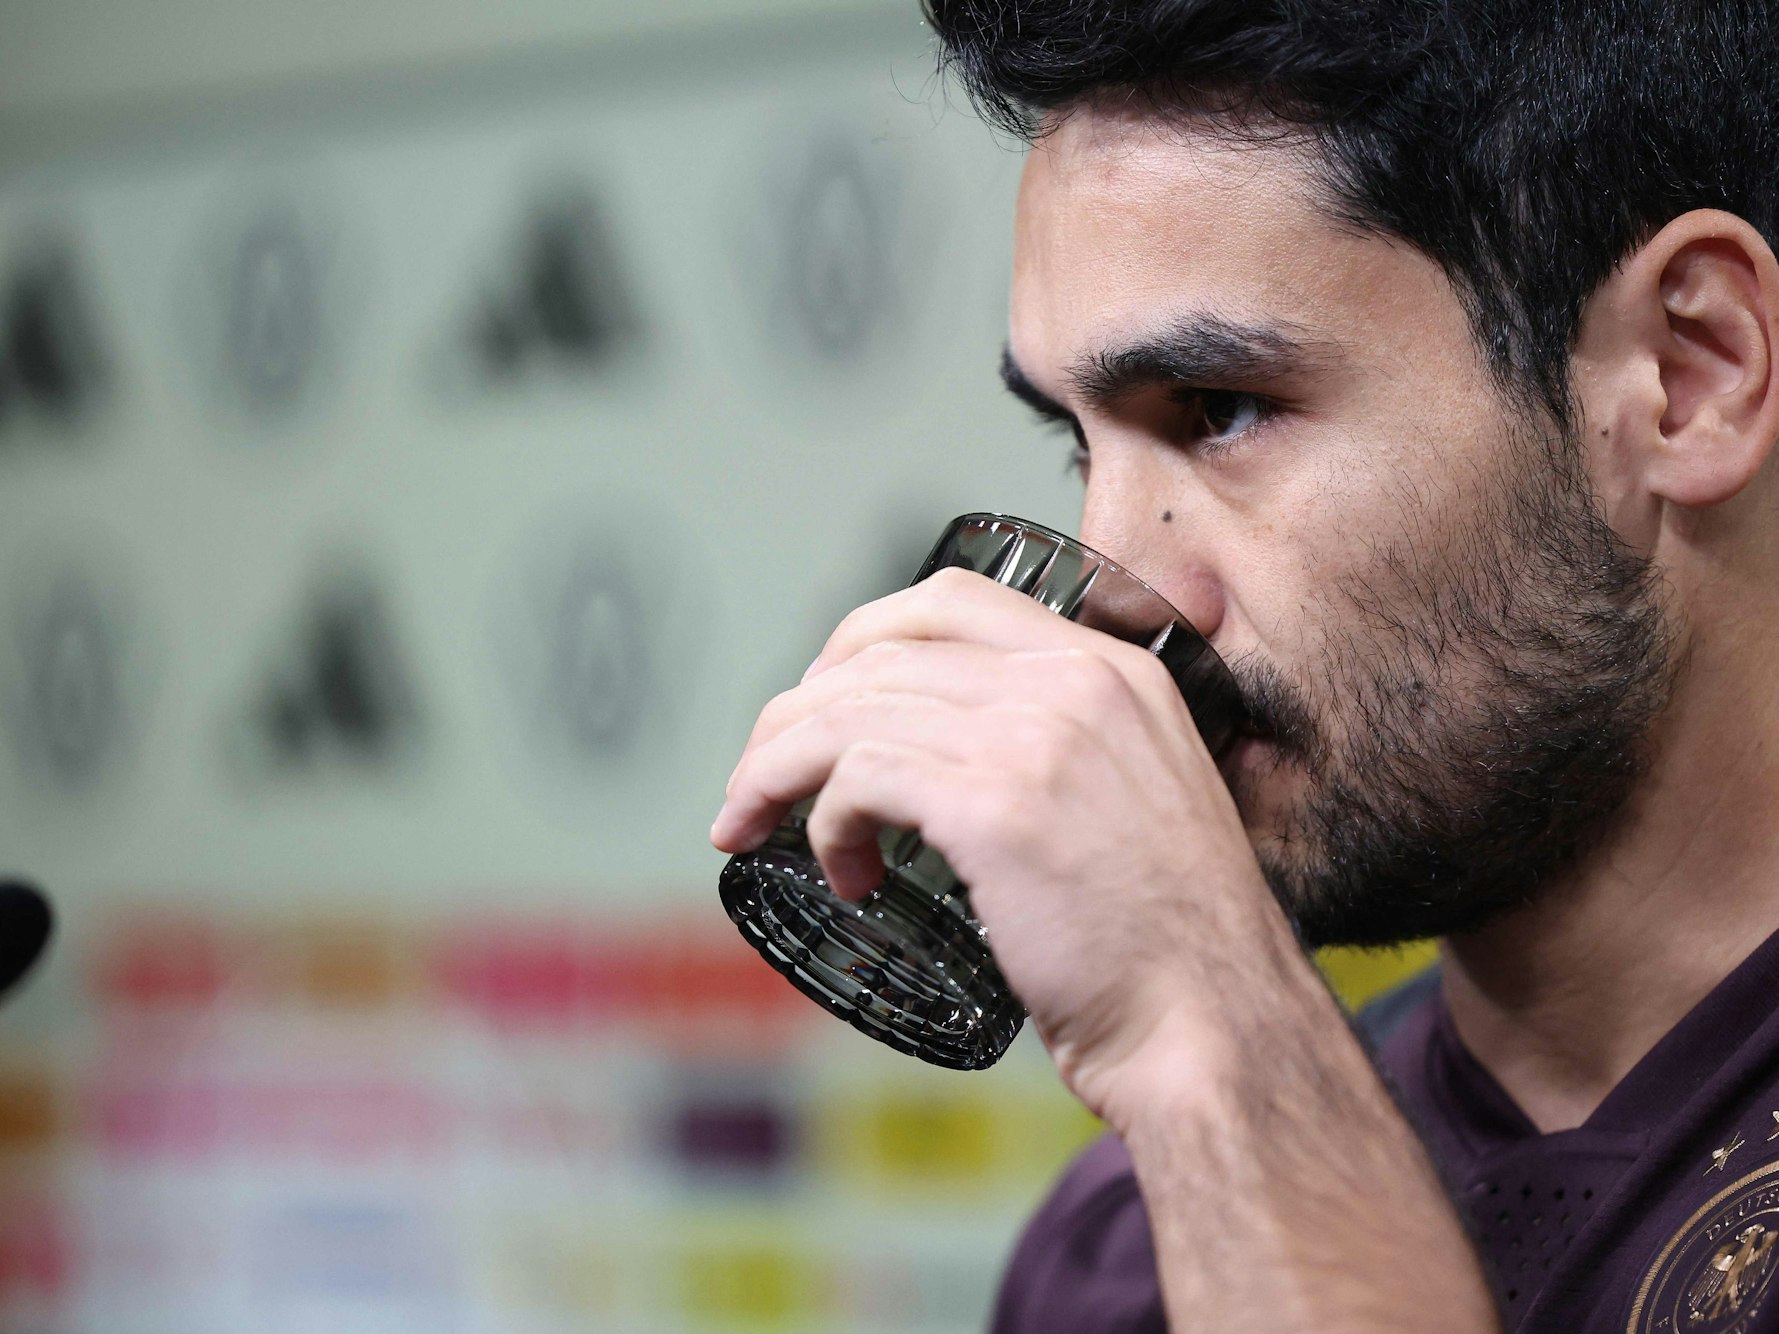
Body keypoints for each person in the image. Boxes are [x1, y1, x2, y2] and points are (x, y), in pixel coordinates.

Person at [710, 0, 1779, 1328]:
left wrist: (1209, 1029)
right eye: (1081, 447)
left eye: (1220, 413)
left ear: (1690, 373)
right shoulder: (1121, 1256)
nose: (1118, 586)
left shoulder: (1203, 1084)